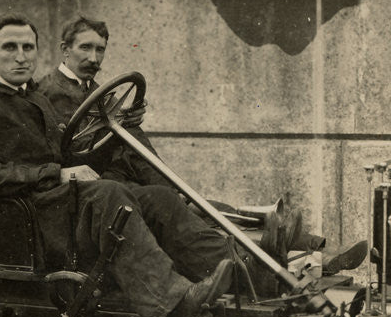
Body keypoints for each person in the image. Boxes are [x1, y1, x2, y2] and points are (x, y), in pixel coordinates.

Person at [0, 15, 233, 317]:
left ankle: (241, 276)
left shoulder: (35, 99)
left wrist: (122, 129)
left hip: (58, 209)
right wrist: (57, 174)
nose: (21, 56)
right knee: (110, 196)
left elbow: (73, 157)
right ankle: (176, 303)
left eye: (28, 47)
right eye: (10, 47)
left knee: (156, 198)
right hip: (22, 223)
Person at [36, 14, 368, 276]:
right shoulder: (49, 92)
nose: (94, 57)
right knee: (198, 213)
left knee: (209, 207)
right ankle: (269, 263)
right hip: (103, 191)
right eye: (85, 48)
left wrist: (128, 124)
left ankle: (318, 252)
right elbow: (75, 153)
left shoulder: (96, 90)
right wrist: (120, 125)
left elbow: (121, 144)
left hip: (135, 178)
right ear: (65, 49)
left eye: (101, 49)